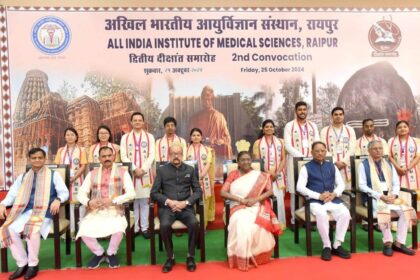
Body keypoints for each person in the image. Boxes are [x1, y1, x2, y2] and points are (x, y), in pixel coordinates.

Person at [0, 148, 69, 280]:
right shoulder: (23, 176)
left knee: (32, 229)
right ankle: (22, 263)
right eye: (34, 158)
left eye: (40, 158)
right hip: (25, 211)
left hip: (44, 212)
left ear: (45, 159)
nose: (37, 160)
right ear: (29, 159)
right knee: (8, 229)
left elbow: (64, 192)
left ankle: (33, 265)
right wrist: (2, 204)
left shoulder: (53, 175)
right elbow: (12, 194)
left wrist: (58, 200)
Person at [220, 151, 280, 271]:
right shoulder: (233, 174)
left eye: (248, 159)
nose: (246, 162)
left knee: (259, 224)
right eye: (243, 160)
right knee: (241, 224)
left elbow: (270, 191)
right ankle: (242, 256)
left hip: (256, 205)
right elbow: (223, 192)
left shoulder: (260, 175)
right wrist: (240, 200)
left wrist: (256, 199)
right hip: (237, 206)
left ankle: (257, 256)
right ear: (238, 162)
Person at [76, 146, 136, 269]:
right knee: (83, 229)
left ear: (114, 157)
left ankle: (111, 252)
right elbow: (81, 193)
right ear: (99, 159)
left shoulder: (123, 173)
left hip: (115, 209)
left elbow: (132, 193)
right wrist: (89, 202)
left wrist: (114, 200)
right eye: (104, 156)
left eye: (109, 155)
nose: (107, 158)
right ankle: (99, 253)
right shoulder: (92, 174)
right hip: (95, 210)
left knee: (119, 228)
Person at [358, 140, 417, 256]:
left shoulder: (388, 164)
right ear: (369, 151)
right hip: (374, 198)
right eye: (375, 148)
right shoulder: (363, 164)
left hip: (390, 196)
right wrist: (380, 196)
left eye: (380, 148)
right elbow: (362, 186)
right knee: (383, 211)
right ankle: (388, 243)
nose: (378, 150)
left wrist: (394, 194)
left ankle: (400, 243)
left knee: (406, 211)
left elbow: (396, 183)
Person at [150, 142, 202, 273]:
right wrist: (169, 201)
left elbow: (198, 191)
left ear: (182, 154)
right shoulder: (162, 170)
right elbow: (154, 193)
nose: (176, 156)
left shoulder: (190, 170)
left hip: (186, 208)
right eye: (173, 154)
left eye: (178, 153)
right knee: (165, 225)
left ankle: (190, 256)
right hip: (168, 208)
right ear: (169, 155)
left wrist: (186, 203)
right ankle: (170, 257)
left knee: (194, 223)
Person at [296, 142, 351, 261]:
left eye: (322, 151)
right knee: (321, 214)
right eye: (317, 151)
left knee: (345, 213)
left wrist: (334, 194)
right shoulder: (306, 167)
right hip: (315, 201)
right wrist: (318, 196)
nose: (320, 153)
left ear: (326, 152)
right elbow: (300, 187)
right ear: (312, 153)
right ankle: (327, 245)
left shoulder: (332, 166)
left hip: (332, 199)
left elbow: (341, 184)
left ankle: (337, 244)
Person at [284, 101, 320, 226]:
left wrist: (311, 158)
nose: (302, 112)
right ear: (296, 111)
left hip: (311, 163)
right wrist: (302, 158)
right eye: (300, 109)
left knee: (310, 190)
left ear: (307, 111)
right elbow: (287, 145)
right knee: (295, 192)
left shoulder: (313, 126)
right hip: (295, 162)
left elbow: (317, 143)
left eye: (304, 109)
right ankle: (294, 221)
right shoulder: (289, 126)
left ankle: (309, 220)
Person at [120, 112, 155, 238]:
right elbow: (123, 155)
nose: (137, 122)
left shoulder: (150, 136)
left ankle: (144, 228)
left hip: (145, 173)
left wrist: (143, 169)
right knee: (133, 201)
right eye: (135, 120)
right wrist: (134, 169)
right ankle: (134, 228)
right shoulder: (125, 138)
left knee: (145, 201)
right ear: (131, 122)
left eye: (140, 120)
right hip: (131, 173)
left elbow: (152, 155)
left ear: (143, 122)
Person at [253, 119, 286, 229]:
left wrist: (277, 173)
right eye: (266, 127)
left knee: (279, 198)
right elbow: (257, 161)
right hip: (264, 175)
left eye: (271, 126)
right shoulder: (258, 143)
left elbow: (283, 159)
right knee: (265, 199)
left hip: (278, 175)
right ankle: (266, 223)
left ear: (274, 128)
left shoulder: (281, 142)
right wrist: (268, 174)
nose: (269, 128)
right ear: (263, 129)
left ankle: (279, 223)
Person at [54, 127, 87, 235]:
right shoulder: (60, 151)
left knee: (78, 204)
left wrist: (74, 177)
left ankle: (79, 230)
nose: (70, 137)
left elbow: (83, 166)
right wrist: (64, 179)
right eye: (67, 135)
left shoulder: (81, 150)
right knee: (66, 206)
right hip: (63, 181)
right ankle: (68, 231)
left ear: (76, 136)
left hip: (77, 180)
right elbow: (57, 166)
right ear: (65, 137)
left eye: (72, 135)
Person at [187, 86, 233, 163]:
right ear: (201, 100)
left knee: (227, 147)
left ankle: (224, 170)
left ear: (212, 100)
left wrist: (221, 141)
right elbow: (189, 137)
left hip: (216, 147)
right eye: (205, 100)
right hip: (199, 145)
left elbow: (227, 138)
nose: (207, 102)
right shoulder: (195, 118)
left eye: (209, 99)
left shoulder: (219, 116)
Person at [320, 107, 356, 189]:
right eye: (335, 114)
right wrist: (335, 161)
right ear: (332, 116)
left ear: (343, 116)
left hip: (346, 165)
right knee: (332, 191)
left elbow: (353, 147)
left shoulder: (350, 130)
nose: (338, 116)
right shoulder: (324, 131)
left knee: (347, 191)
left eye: (340, 114)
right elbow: (323, 149)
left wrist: (343, 162)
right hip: (331, 165)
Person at [186, 128, 215, 228]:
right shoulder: (186, 149)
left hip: (204, 178)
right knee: (191, 201)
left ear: (201, 137)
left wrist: (201, 175)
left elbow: (208, 163)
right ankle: (192, 224)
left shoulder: (208, 150)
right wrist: (194, 177)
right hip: (190, 179)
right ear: (190, 137)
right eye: (194, 135)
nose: (196, 137)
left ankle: (204, 225)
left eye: (198, 135)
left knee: (204, 202)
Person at [388, 120, 420, 202]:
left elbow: (417, 156)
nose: (402, 129)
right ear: (396, 130)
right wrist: (398, 168)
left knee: (412, 194)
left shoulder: (416, 141)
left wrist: (407, 168)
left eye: (405, 127)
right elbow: (389, 156)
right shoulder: (391, 141)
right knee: (398, 193)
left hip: (411, 171)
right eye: (399, 127)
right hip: (396, 171)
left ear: (409, 128)